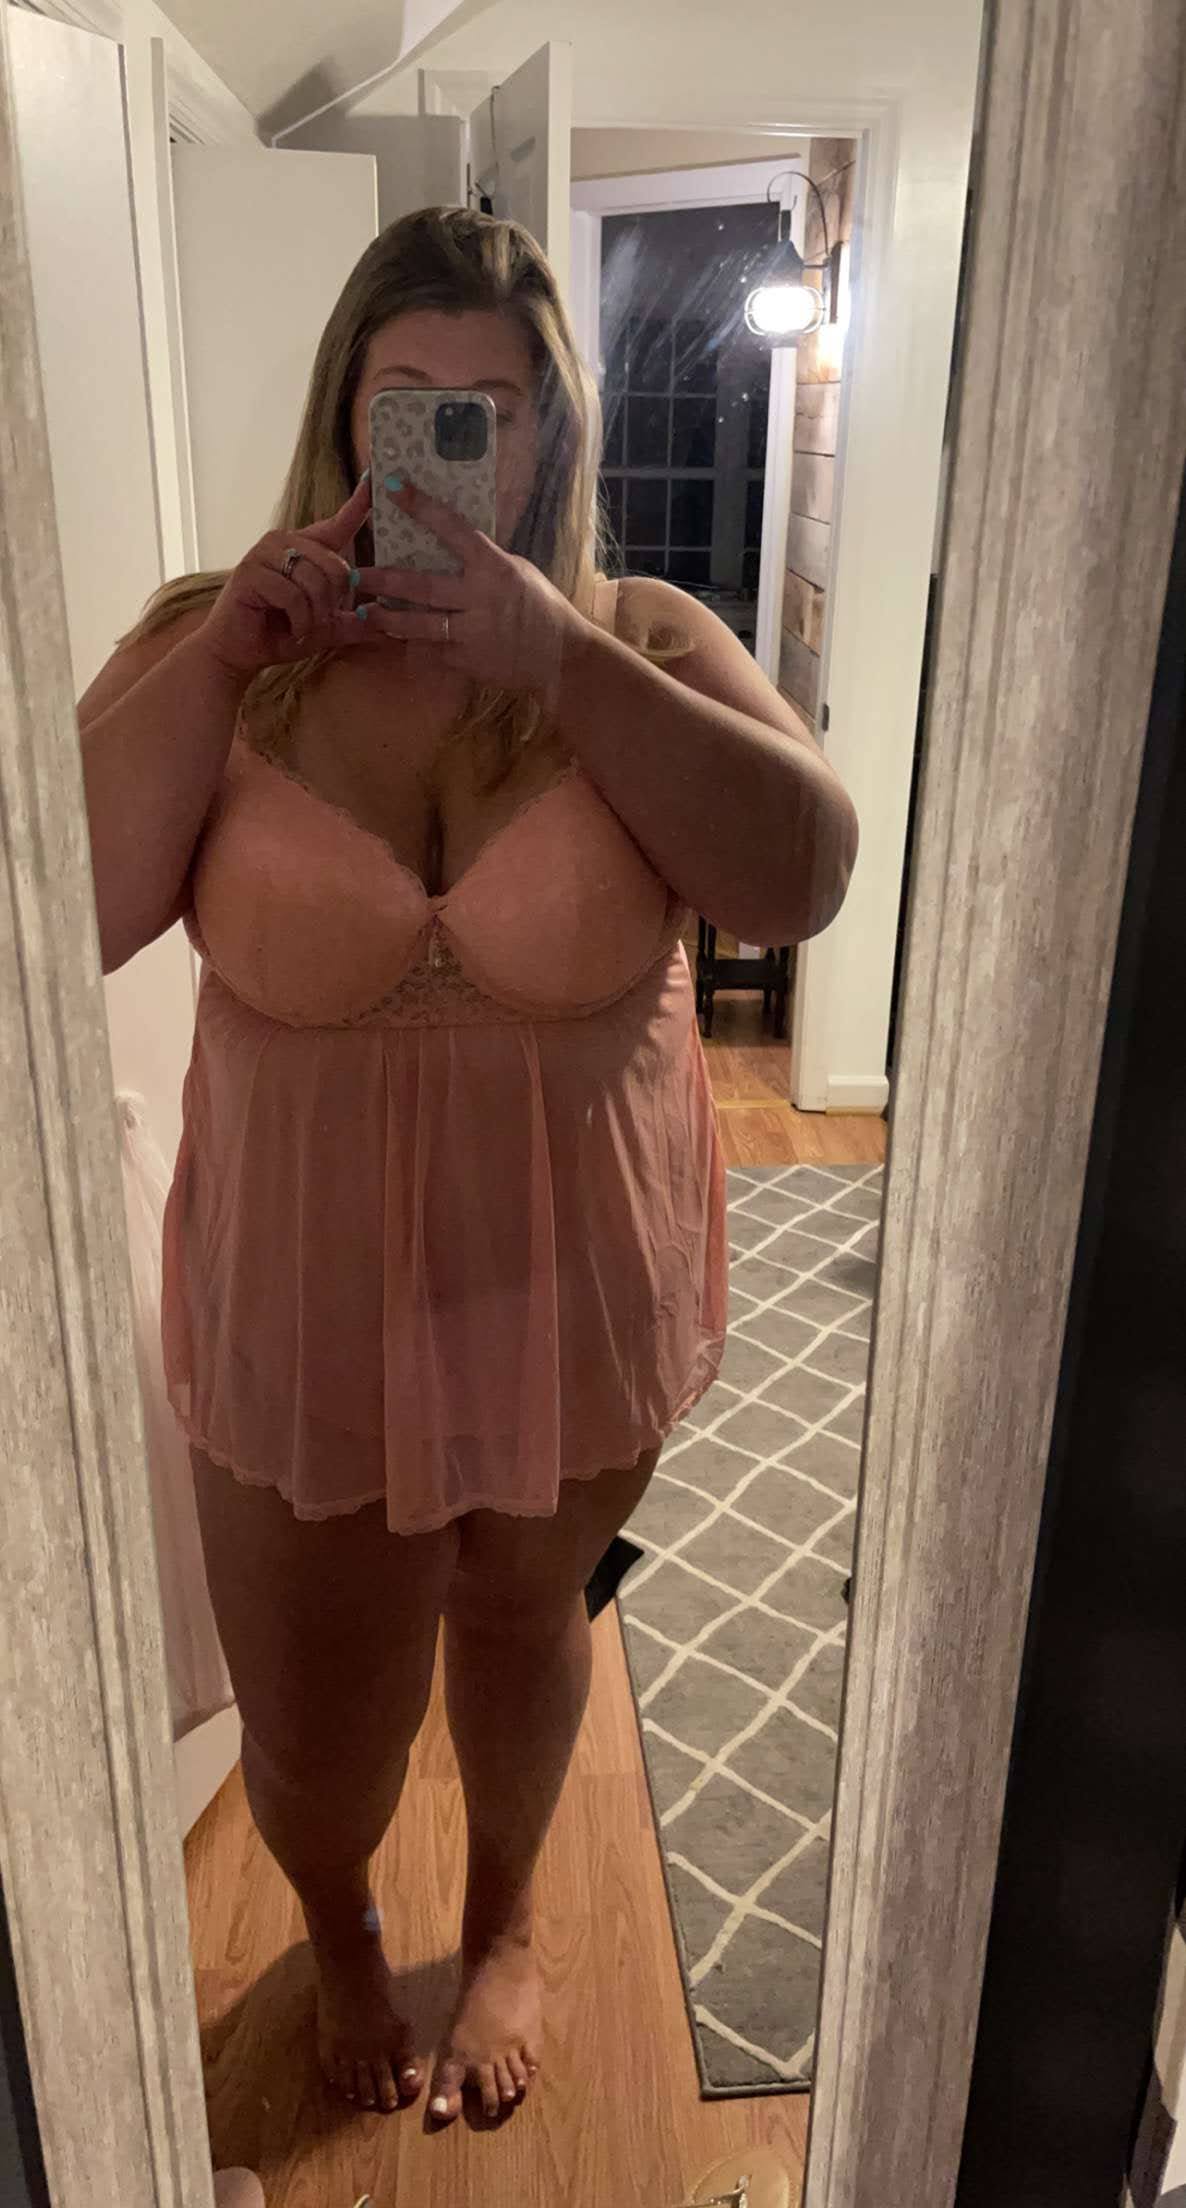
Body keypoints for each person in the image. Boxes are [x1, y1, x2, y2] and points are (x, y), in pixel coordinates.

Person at [79, 206, 857, 2126]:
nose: (447, 444)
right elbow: (56, 911)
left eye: (489, 411)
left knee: (523, 1616)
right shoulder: (213, 638)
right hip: (304, 1306)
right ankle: (339, 1922)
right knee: (315, 1731)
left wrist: (562, 661)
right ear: (346, 418)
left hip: (570, 1291)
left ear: (547, 436)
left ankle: (503, 1914)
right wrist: (225, 656)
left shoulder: (639, 637)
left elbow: (801, 878)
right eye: (406, 400)